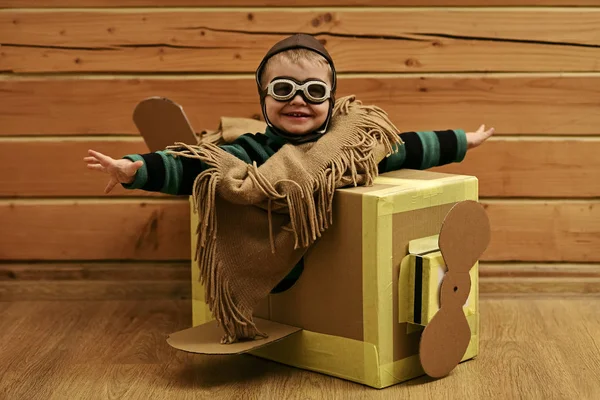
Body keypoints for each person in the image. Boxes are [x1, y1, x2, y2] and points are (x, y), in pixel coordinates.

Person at [84, 33, 494, 342]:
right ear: (264, 98)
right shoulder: (251, 149)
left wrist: (462, 141)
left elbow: (407, 147)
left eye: (314, 91)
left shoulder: (348, 149)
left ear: (331, 100)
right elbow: (193, 168)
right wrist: (134, 169)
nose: (299, 100)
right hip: (277, 250)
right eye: (283, 89)